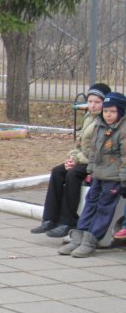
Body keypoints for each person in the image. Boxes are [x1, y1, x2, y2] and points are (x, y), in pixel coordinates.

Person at [32, 83, 111, 238]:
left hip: (96, 162)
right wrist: (73, 156)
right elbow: (81, 144)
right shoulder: (89, 117)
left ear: (105, 103)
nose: (93, 105)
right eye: (90, 101)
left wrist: (77, 160)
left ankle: (68, 221)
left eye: (97, 102)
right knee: (57, 172)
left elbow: (98, 151)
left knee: (73, 175)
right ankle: (49, 219)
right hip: (82, 159)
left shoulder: (105, 121)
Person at [59, 91, 126, 258]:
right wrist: (90, 170)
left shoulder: (123, 130)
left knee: (104, 208)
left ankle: (91, 239)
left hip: (114, 177)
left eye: (112, 111)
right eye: (106, 111)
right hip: (98, 174)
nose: (108, 115)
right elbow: (94, 151)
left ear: (121, 112)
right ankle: (79, 235)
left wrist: (124, 180)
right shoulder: (99, 126)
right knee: (90, 204)